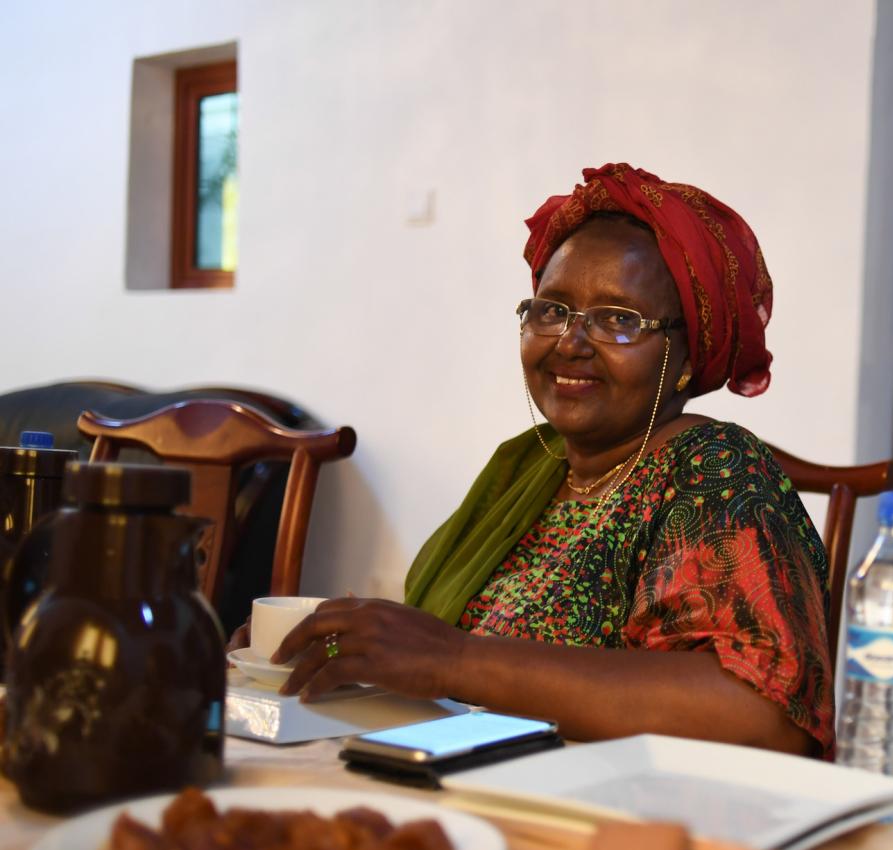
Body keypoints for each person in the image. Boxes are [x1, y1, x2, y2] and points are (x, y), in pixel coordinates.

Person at [242, 164, 833, 756]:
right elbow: (450, 666)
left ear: (684, 357)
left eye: (618, 319)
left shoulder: (713, 468)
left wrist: (455, 659)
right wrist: (343, 647)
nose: (570, 343)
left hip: (617, 803)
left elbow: (761, 712)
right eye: (551, 310)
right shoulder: (529, 470)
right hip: (480, 774)